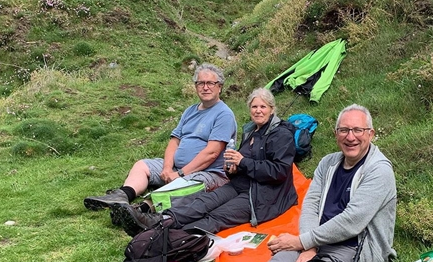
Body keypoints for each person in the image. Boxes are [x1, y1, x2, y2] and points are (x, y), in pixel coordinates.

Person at [187, 104, 396, 262]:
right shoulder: (328, 163)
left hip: (355, 246)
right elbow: (310, 205)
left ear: (371, 133)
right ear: (335, 133)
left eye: (358, 130)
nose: (350, 137)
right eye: (344, 130)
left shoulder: (379, 171)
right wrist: (308, 244)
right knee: (284, 260)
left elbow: (352, 222)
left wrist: (305, 243)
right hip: (319, 239)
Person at [109, 87, 297, 235]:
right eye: (254, 107)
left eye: (263, 107)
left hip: (264, 195)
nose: (258, 111)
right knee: (203, 202)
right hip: (240, 185)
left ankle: (173, 236)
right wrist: (233, 169)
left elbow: (279, 172)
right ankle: (158, 222)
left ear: (272, 109)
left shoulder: (281, 135)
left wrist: (243, 163)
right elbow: (245, 164)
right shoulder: (251, 131)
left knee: (218, 214)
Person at [84, 64, 237, 212]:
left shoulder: (224, 114)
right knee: (142, 165)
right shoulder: (190, 111)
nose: (205, 87)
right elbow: (174, 141)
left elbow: (212, 153)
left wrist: (181, 174)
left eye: (210, 83)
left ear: (220, 87)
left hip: (208, 173)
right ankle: (122, 196)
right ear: (195, 86)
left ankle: (142, 209)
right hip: (177, 169)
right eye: (201, 83)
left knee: (188, 184)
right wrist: (167, 168)